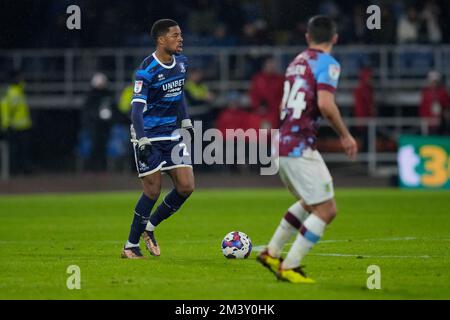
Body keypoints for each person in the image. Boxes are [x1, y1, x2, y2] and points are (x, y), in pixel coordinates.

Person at [257, 16, 358, 283]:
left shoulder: (295, 62)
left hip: (282, 143)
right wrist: (346, 135)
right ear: (334, 38)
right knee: (326, 210)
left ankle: (271, 252)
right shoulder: (328, 63)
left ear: (307, 37)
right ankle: (289, 266)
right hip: (300, 145)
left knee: (309, 202)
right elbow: (325, 105)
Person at [122, 19, 195, 259]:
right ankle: (131, 245)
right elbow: (135, 111)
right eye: (175, 35)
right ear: (161, 39)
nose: (180, 39)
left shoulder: (182, 63)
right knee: (152, 191)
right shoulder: (146, 70)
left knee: (186, 186)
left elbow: (179, 93)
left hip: (172, 134)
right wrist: (142, 140)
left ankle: (150, 227)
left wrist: (185, 120)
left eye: (180, 34)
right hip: (149, 136)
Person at [79, 72, 114, 172]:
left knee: (103, 146)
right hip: (94, 125)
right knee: (94, 145)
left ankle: (102, 167)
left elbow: (113, 108)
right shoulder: (91, 96)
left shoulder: (108, 94)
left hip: (105, 125)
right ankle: (93, 167)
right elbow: (87, 112)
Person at [0, 70, 33, 175]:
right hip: (14, 127)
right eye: (19, 77)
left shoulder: (20, 90)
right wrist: (5, 126)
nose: (21, 79)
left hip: (25, 126)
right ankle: (13, 171)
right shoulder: (9, 93)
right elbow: (4, 110)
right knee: (14, 151)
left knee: (24, 151)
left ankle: (24, 170)